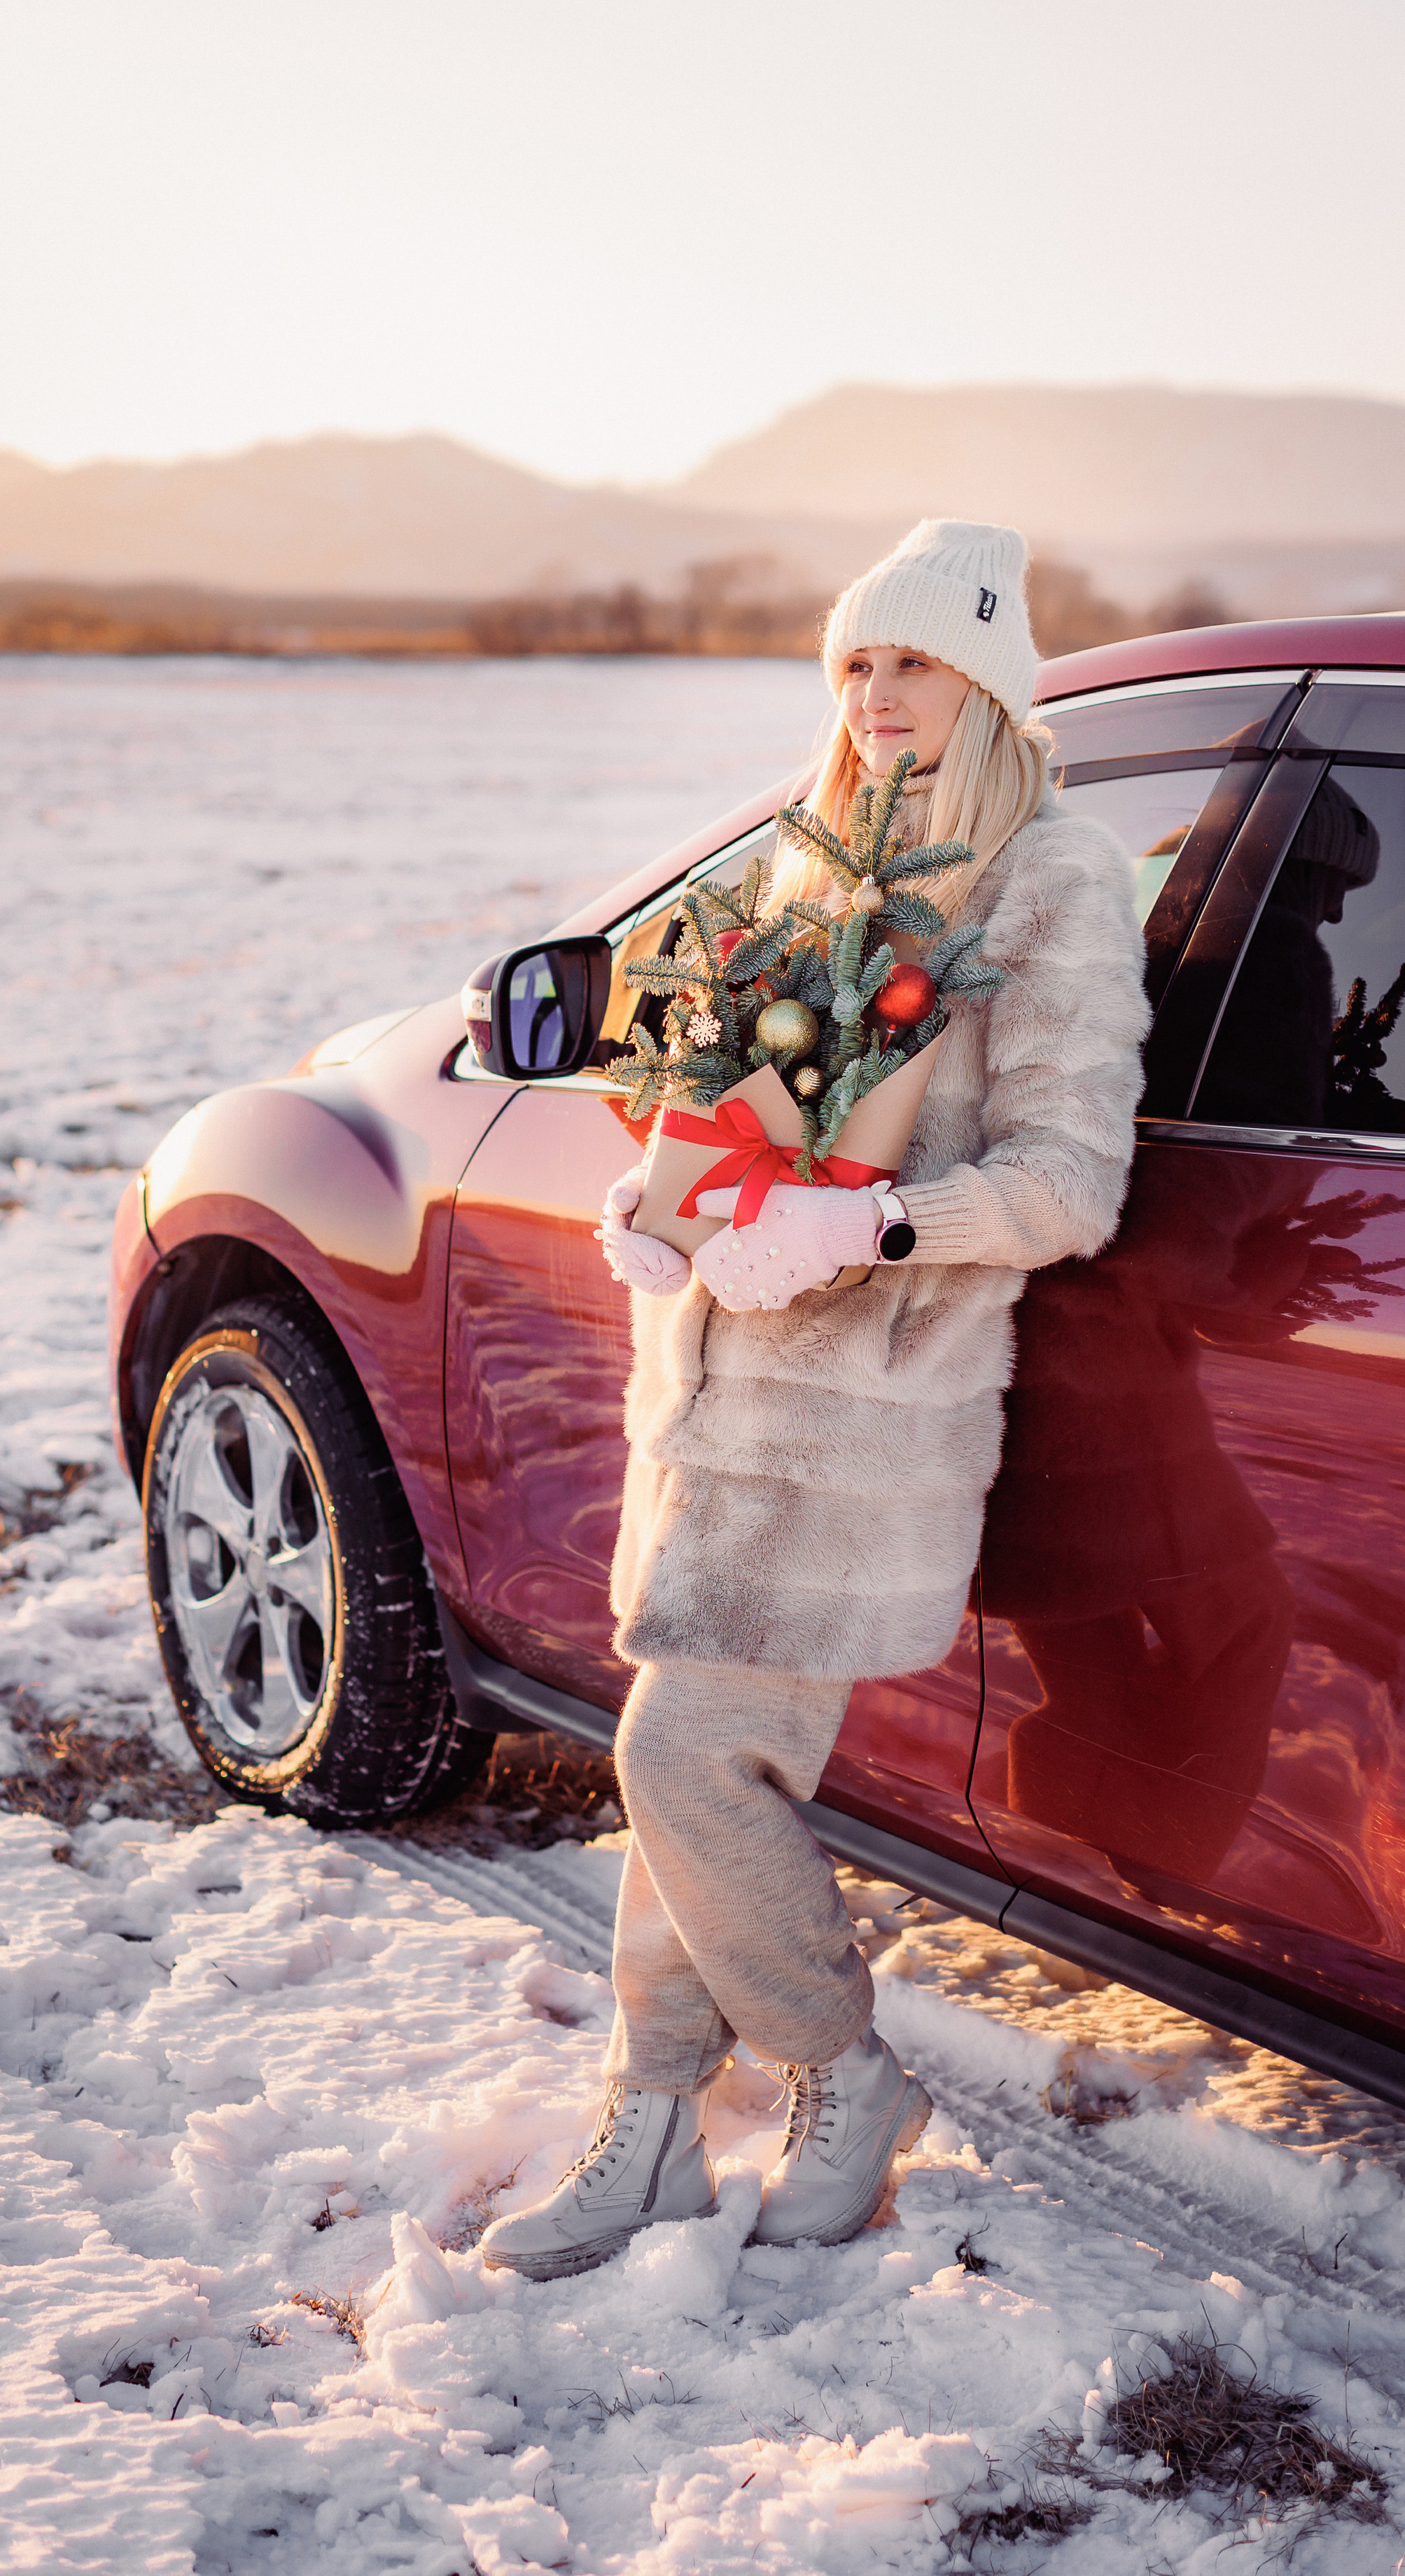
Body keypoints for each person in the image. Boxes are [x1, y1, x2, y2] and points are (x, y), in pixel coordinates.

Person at [480, 518, 1152, 2281]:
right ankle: (648, 2130)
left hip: (854, 1429)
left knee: (677, 1758)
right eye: (853, 662)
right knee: (688, 1778)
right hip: (709, 1397)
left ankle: (842, 2076)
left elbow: (1069, 1181)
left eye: (912, 661)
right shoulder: (802, 861)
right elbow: (729, 1103)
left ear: (985, 681)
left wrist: (873, 1221)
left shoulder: (1049, 880)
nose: (873, 695)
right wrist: (656, 1209)